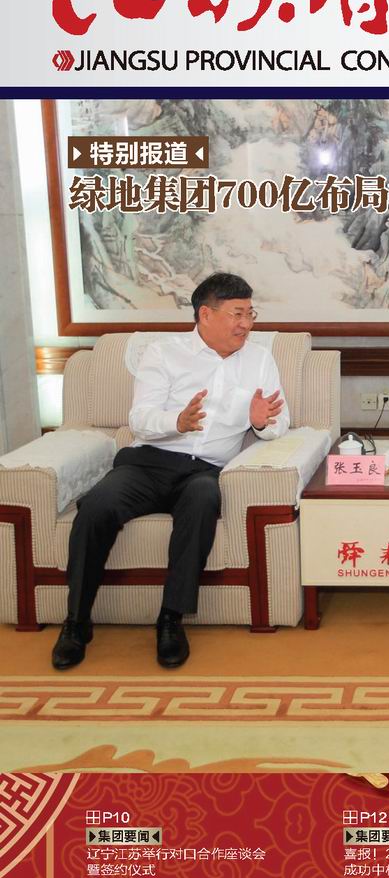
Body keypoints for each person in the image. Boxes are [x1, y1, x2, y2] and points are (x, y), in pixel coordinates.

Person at [51, 272, 290, 671]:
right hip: (149, 462)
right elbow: (140, 418)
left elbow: (280, 421)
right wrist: (176, 422)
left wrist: (261, 422)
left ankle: (170, 620)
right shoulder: (164, 353)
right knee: (96, 507)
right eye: (237, 314)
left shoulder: (259, 359)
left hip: (206, 470)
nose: (246, 324)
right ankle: (76, 622)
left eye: (250, 313)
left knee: (203, 499)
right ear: (206, 314)